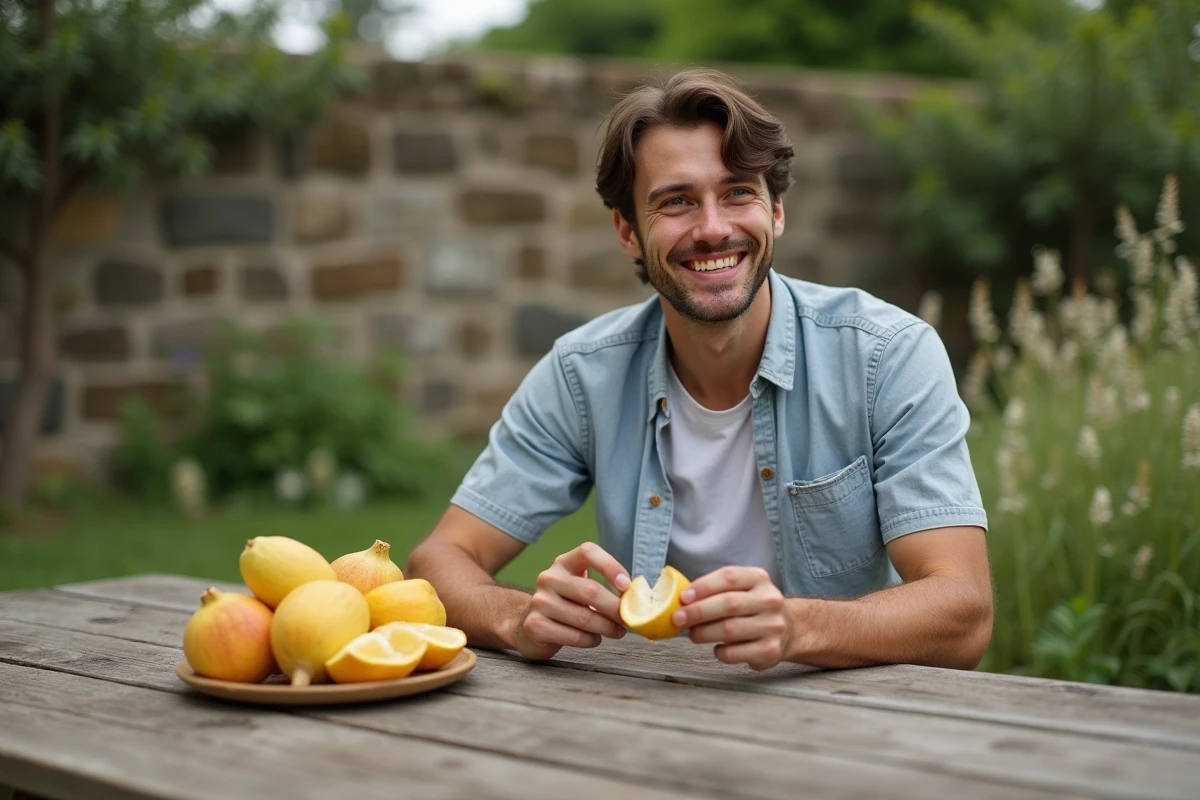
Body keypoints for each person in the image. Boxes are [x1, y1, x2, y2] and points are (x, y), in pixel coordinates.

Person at [407, 68, 992, 672]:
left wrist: (797, 625)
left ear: (778, 212)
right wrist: (516, 617)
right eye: (677, 202)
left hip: (848, 719)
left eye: (738, 191)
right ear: (628, 232)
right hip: (649, 715)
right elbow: (438, 559)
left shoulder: (886, 355)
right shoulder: (583, 375)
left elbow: (964, 611)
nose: (713, 228)